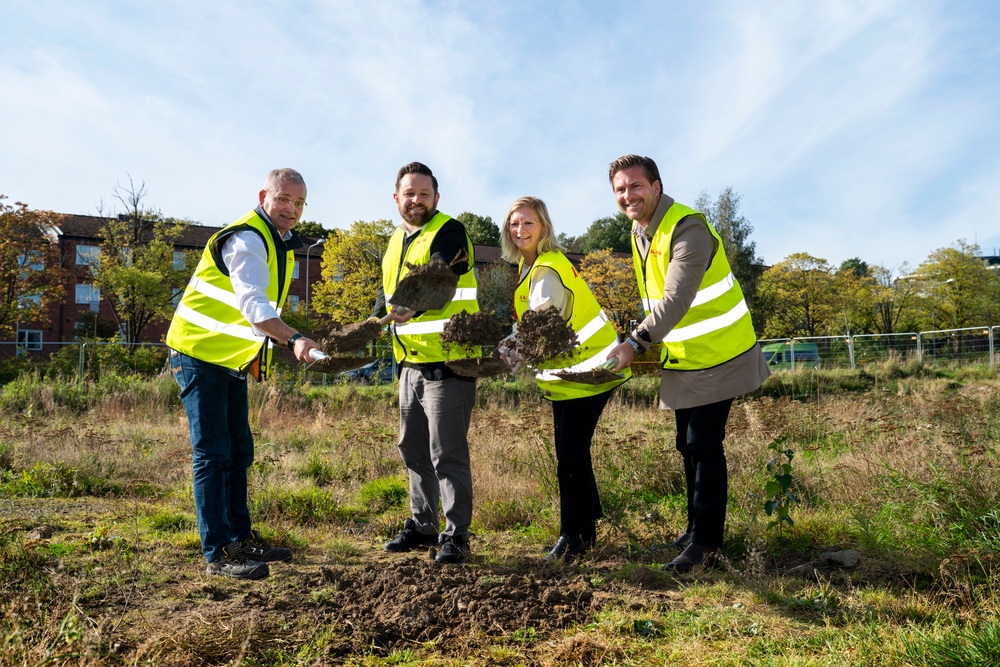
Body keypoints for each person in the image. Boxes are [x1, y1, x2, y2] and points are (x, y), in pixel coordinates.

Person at [605, 155, 770, 573]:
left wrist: (634, 343)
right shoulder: (641, 230)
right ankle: (697, 527)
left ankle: (707, 546)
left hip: (722, 352)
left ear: (657, 187)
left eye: (636, 186)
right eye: (620, 189)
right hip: (685, 355)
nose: (628, 195)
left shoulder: (687, 228)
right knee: (686, 443)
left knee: (702, 442)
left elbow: (677, 298)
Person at [166, 168, 321, 580]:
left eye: (299, 203)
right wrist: (295, 339)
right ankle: (218, 554)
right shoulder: (248, 239)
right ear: (264, 196)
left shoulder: (278, 241)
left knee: (239, 452)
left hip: (228, 360)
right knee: (213, 454)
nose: (291, 209)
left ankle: (240, 539)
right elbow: (254, 306)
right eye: (284, 199)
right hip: (198, 354)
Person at [499, 196, 631, 561]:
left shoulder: (545, 269)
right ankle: (586, 524)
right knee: (574, 451)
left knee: (569, 454)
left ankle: (574, 538)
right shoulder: (535, 267)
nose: (521, 230)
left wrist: (507, 353)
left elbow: (542, 321)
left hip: (587, 372)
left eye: (529, 223)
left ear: (544, 226)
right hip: (576, 372)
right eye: (515, 224)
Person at [375, 162, 479, 565]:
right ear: (396, 197)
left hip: (450, 363)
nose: (416, 200)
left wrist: (410, 306)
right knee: (412, 448)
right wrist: (371, 320)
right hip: (410, 364)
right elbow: (386, 296)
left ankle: (457, 537)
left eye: (424, 194)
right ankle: (423, 527)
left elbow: (439, 273)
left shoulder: (450, 232)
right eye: (409, 193)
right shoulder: (394, 242)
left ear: (436, 198)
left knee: (446, 453)